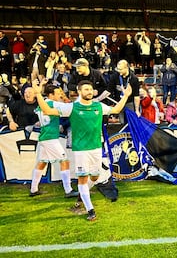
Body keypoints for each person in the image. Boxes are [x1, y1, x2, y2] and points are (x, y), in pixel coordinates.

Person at [32, 79, 132, 221]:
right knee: (83, 178)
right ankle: (90, 209)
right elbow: (47, 110)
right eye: (86, 89)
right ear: (79, 91)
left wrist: (126, 96)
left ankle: (81, 194)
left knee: (95, 177)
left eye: (90, 89)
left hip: (96, 148)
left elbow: (115, 109)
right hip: (80, 150)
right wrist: (38, 94)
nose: (89, 92)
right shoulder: (72, 107)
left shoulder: (99, 105)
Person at [29, 82, 78, 198]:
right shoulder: (52, 104)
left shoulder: (42, 104)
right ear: (51, 95)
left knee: (42, 162)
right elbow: (70, 108)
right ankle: (68, 190)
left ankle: (33, 189)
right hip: (50, 137)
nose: (59, 95)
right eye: (57, 93)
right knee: (64, 161)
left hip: (44, 137)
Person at [105, 59, 141, 123]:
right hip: (118, 102)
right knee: (122, 122)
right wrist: (98, 99)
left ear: (126, 68)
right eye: (117, 69)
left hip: (129, 103)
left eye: (120, 69)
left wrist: (137, 110)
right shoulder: (115, 76)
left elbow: (136, 96)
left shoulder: (134, 78)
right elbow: (108, 91)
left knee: (131, 122)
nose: (119, 71)